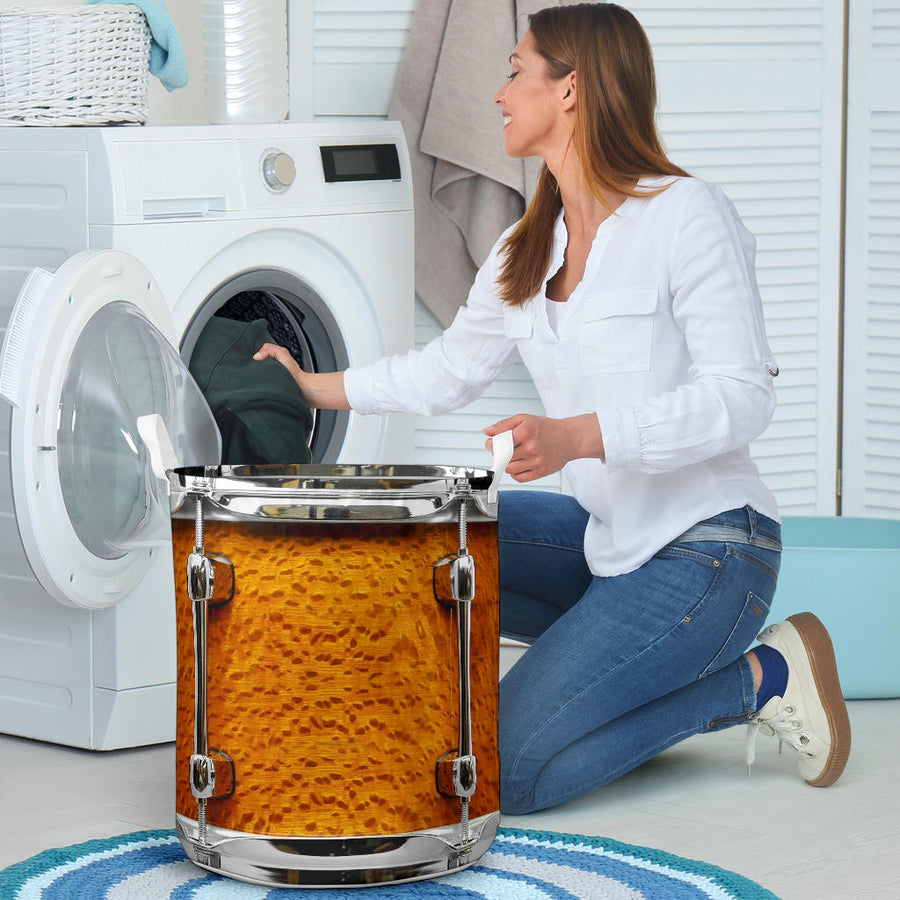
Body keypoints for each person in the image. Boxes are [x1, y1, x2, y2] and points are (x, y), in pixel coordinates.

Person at [254, 2, 851, 815]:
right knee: (427, 538)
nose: (498, 93)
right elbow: (447, 371)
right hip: (610, 544)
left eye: (515, 71)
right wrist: (316, 384)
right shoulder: (524, 247)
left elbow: (743, 399)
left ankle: (760, 679)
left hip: (712, 550)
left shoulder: (684, 214)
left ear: (570, 90)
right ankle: (528, 688)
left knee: (506, 774)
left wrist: (581, 437)